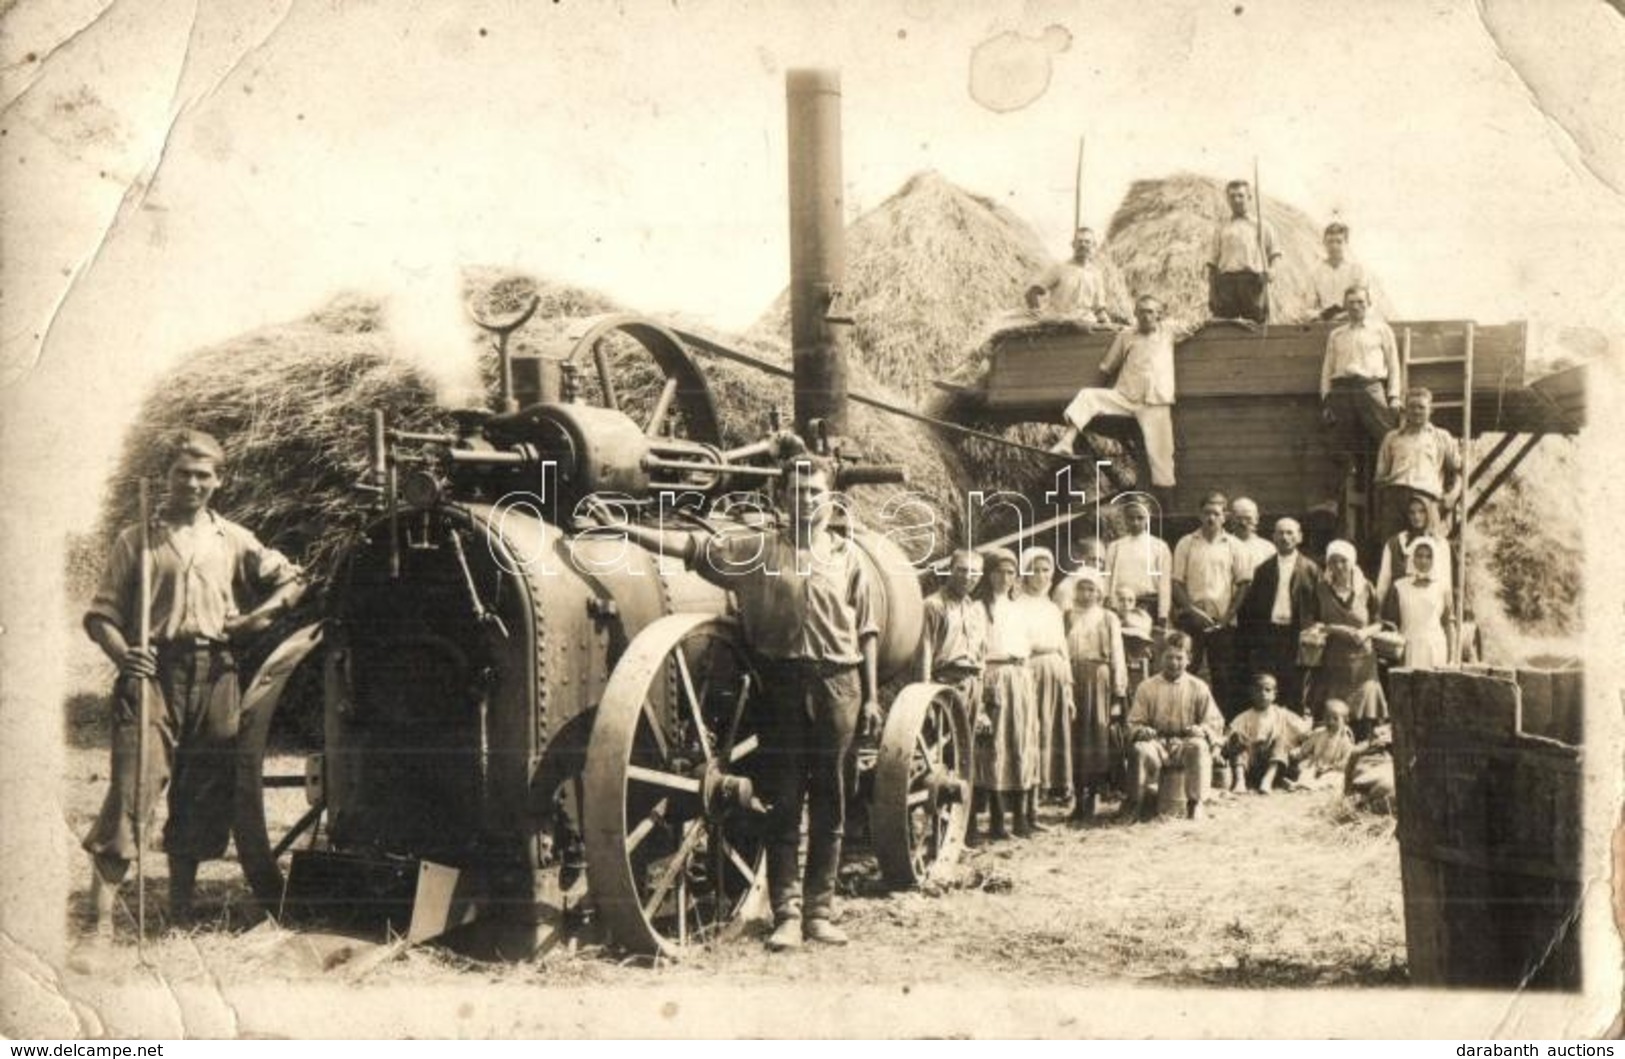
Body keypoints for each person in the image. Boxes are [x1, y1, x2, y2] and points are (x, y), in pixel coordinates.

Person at [609, 454, 880, 951]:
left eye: (815, 492)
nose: (805, 500)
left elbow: (866, 632)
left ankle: (821, 910)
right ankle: (787, 915)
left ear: (829, 499)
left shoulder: (849, 557)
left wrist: (872, 697)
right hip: (780, 685)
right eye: (796, 491)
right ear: (781, 497)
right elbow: (692, 548)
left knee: (831, 803)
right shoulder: (754, 550)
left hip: (840, 684)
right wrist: (628, 530)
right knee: (783, 800)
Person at [82, 430, 304, 936]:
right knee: (133, 788)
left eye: (204, 475)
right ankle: (99, 923)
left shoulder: (234, 539)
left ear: (218, 481)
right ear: (166, 476)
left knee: (203, 789)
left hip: (217, 672)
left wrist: (256, 620)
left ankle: (180, 910)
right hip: (154, 673)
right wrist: (123, 653)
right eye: (183, 473)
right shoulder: (137, 537)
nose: (193, 483)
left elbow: (293, 580)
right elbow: (102, 615)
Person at [1049, 296, 1180, 496]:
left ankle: (1165, 514)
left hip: (1156, 403)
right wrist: (1099, 400)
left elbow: (1198, 327)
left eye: (1151, 312)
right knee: (1087, 396)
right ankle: (1066, 442)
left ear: (1159, 315)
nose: (1146, 316)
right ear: (1135, 314)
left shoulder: (1169, 332)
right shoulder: (1126, 335)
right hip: (1126, 397)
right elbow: (1107, 366)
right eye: (1142, 311)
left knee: (1162, 462)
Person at [972, 548, 1040, 840]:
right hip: (994, 676)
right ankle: (997, 821)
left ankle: (1021, 818)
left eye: (1011, 572)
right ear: (989, 574)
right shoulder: (978, 608)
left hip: (1020, 678)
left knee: (1021, 744)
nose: (1005, 578)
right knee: (996, 748)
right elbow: (977, 651)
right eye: (999, 571)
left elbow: (1029, 645)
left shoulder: (1021, 608)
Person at [1124, 632, 1224, 821]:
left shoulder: (1198, 687)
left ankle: (1195, 804)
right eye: (1169, 657)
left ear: (1189, 659)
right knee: (1139, 750)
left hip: (1184, 743)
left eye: (1179, 658)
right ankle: (1135, 804)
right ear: (1160, 657)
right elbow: (1133, 722)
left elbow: (1214, 721)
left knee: (1199, 746)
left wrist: (1201, 729)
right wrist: (1141, 730)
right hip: (1157, 743)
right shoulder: (1147, 687)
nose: (1174, 663)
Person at [1171, 491, 1253, 719]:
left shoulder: (1234, 545)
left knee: (1223, 676)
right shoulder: (1186, 543)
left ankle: (1221, 726)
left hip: (1222, 622)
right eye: (1206, 513)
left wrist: (1227, 618)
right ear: (1199, 514)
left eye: (1216, 513)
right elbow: (1176, 582)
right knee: (1187, 670)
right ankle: (1184, 720)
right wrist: (1192, 610)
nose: (1211, 518)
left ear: (1224, 516)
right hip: (1192, 619)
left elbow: (1244, 585)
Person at [1234, 517, 1320, 711]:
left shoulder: (1311, 569)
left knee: (1296, 686)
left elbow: (1318, 606)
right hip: (1270, 635)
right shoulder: (1264, 569)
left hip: (1298, 635)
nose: (1284, 537)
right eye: (1280, 532)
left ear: (1299, 537)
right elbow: (1253, 607)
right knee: (1270, 684)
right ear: (1273, 537)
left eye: (1290, 532)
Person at [1306, 540, 1388, 740]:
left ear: (1352, 562)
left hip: (1363, 662)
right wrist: (1334, 628)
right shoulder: (1321, 589)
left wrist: (1366, 632)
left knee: (1365, 721)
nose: (1339, 566)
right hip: (1334, 662)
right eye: (1333, 562)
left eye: (1343, 561)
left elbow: (1379, 622)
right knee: (1335, 716)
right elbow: (1313, 623)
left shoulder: (1366, 588)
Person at [1063, 569, 1127, 821]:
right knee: (1075, 737)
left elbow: (1117, 655)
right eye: (1082, 588)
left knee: (1097, 738)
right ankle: (1078, 796)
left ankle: (1094, 797)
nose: (1086, 594)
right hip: (1073, 678)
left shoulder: (1108, 617)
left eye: (1092, 589)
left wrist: (1117, 693)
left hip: (1099, 677)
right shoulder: (1067, 616)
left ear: (1099, 592)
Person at [1016, 547, 1073, 814]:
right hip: (1032, 669)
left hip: (1056, 669)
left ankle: (1055, 786)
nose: (1040, 576)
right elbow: (1019, 645)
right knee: (1034, 727)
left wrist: (1069, 687)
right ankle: (1033, 790)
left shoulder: (1053, 608)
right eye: (1035, 570)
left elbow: (1063, 646)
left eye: (1045, 570)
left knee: (1055, 727)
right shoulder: (1017, 606)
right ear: (1025, 574)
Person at [1319, 286, 1402, 459]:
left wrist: (1394, 396)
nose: (1355, 306)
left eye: (1360, 302)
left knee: (1385, 436)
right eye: (1351, 303)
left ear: (1369, 304)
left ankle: (1386, 482)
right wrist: (1326, 398)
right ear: (1345, 305)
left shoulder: (1381, 330)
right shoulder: (1336, 334)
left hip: (1370, 388)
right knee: (1342, 441)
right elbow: (1327, 368)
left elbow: (1393, 364)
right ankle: (1349, 484)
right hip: (1342, 390)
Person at [919, 549, 987, 750]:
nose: (968, 577)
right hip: (943, 685)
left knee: (963, 752)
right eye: (962, 570)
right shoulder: (933, 605)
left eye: (974, 573)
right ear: (950, 570)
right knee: (937, 749)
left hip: (971, 687)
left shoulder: (973, 608)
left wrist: (980, 704)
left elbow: (980, 655)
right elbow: (924, 653)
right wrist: (925, 700)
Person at [1374, 387, 1463, 541]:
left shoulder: (1441, 437)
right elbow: (1380, 476)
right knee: (1393, 548)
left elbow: (1459, 471)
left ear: (1430, 410)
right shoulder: (1392, 437)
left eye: (1421, 407)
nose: (1416, 411)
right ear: (1405, 410)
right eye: (1412, 407)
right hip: (1396, 499)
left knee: (1428, 548)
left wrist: (1453, 495)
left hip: (1427, 499)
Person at [1207, 179, 1281, 324]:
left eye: (1240, 195)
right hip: (1226, 284)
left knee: (1256, 328)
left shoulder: (1262, 225)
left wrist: (1272, 271)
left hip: (1252, 283)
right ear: (1227, 199)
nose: (1236, 200)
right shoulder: (1222, 227)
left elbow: (1274, 254)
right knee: (1226, 330)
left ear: (1249, 198)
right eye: (1232, 196)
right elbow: (1212, 263)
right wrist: (1212, 292)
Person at [1222, 673, 1308, 795]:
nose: (1263, 694)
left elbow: (1305, 731)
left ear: (1275, 694)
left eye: (1267, 690)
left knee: (1280, 739)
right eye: (1258, 690)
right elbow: (1228, 735)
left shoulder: (1282, 714)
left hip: (1275, 763)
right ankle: (1240, 781)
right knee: (1238, 739)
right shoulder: (1244, 717)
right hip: (1250, 764)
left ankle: (1267, 780)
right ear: (1251, 693)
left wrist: (1300, 747)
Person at [1382, 538, 1458, 669]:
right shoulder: (1399, 587)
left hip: (1435, 648)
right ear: (1412, 557)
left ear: (1434, 559)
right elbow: (1391, 625)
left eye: (1428, 557)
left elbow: (1448, 624)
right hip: (1408, 647)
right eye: (1419, 556)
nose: (1423, 561)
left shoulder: (1443, 588)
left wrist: (1452, 659)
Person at [1024, 226, 1117, 325]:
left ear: (1094, 245)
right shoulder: (1060, 268)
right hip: (1059, 326)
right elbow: (1031, 293)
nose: (1083, 245)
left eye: (1087, 242)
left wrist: (1108, 323)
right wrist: (1037, 315)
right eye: (1079, 242)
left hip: (1085, 326)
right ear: (1073, 245)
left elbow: (1099, 309)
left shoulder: (1096, 274)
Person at [1102, 499, 1172, 625]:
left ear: (1148, 517)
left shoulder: (1159, 546)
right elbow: (1108, 579)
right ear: (1124, 518)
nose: (1135, 522)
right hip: (1121, 604)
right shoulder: (1115, 546)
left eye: (1140, 518)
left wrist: (1163, 614)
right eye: (1131, 518)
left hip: (1148, 604)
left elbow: (1164, 583)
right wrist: (1109, 604)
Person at [1374, 493, 1453, 602]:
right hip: (1399, 604)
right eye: (1412, 512)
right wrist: (1378, 608)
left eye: (1422, 511)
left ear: (1429, 513)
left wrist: (1449, 613)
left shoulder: (1440, 544)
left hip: (1429, 604)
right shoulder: (1395, 543)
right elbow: (1384, 581)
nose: (1416, 516)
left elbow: (1445, 583)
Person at [1289, 699, 1357, 789]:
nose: (1331, 722)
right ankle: (1303, 783)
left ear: (1345, 720)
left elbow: (1346, 761)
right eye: (1327, 718)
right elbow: (1306, 748)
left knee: (1335, 778)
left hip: (1333, 769)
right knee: (1306, 771)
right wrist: (1298, 753)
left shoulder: (1345, 739)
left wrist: (1330, 767)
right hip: (1316, 764)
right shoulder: (1318, 733)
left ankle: (1314, 785)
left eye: (1335, 719)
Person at [1310, 222, 1369, 322]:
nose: (1334, 246)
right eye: (1330, 242)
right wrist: (1320, 315)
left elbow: (1364, 303)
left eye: (1339, 242)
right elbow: (1308, 307)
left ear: (1346, 243)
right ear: (1324, 243)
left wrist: (1343, 316)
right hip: (1325, 322)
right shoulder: (1316, 272)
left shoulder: (1356, 270)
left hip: (1351, 320)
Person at [1228, 497, 1276, 571]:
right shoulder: (1223, 545)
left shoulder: (1268, 549)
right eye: (1238, 518)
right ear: (1231, 519)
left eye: (1248, 518)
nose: (1243, 523)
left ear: (1256, 519)